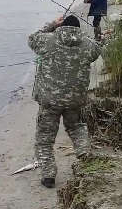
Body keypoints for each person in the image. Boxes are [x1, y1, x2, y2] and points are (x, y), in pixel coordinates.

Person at [28, 15, 102, 188]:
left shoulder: (48, 40)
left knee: (45, 139)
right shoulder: (88, 45)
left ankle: (48, 176)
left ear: (61, 26)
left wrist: (52, 24)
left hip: (49, 101)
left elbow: (32, 38)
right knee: (76, 128)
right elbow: (97, 48)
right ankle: (85, 157)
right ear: (79, 29)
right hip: (75, 100)